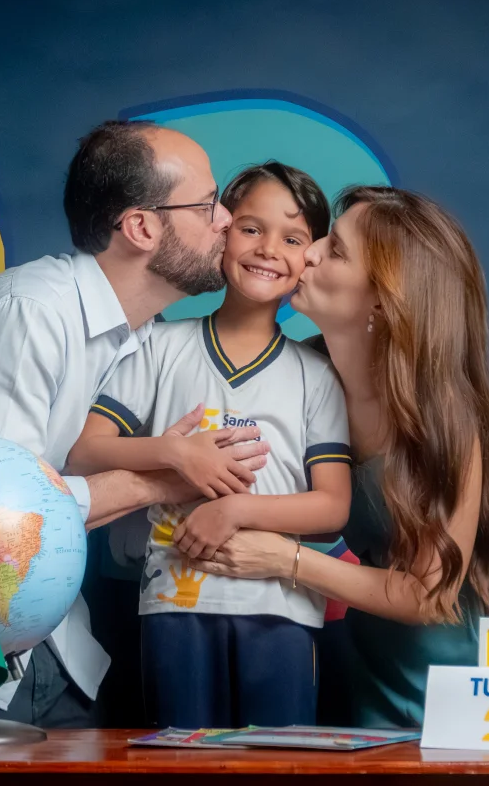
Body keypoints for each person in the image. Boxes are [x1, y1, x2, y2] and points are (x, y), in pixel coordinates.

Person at [0, 120, 271, 728]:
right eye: (206, 203)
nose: (226, 219)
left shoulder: (145, 339)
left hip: (58, 648)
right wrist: (164, 475)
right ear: (141, 227)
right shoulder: (28, 316)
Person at [186, 186, 489, 728]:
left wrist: (283, 560)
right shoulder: (302, 374)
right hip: (357, 656)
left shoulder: (447, 421)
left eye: (336, 250)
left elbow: (429, 596)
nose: (310, 252)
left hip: (448, 681)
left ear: (385, 300)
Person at [66, 162, 352, 729]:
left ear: (311, 257)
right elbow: (84, 453)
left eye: (292, 238)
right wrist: (174, 454)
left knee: (277, 762)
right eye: (251, 228)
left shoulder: (317, 374)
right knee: (181, 755)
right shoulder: (160, 346)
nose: (268, 249)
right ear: (222, 233)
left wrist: (236, 509)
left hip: (281, 608)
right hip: (175, 602)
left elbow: (332, 509)